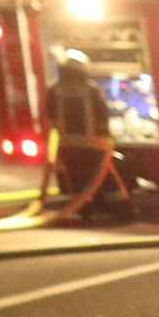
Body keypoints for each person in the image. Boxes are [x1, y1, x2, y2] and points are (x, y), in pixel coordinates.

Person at [46, 52, 123, 216]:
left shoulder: (54, 90)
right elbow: (103, 115)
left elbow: (50, 118)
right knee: (99, 177)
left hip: (66, 144)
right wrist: (107, 137)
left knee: (76, 179)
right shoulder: (91, 89)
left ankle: (85, 210)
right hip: (92, 144)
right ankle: (117, 210)